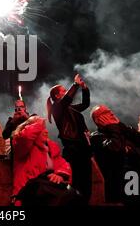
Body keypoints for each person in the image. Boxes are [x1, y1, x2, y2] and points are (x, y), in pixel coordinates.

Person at [12, 116, 83, 206]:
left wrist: (59, 175)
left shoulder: (50, 148)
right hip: (26, 194)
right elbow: (25, 137)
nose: (46, 131)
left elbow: (63, 165)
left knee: (74, 196)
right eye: (42, 128)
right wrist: (38, 123)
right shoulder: (21, 146)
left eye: (45, 128)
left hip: (48, 191)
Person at [46, 74, 92, 202]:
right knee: (77, 181)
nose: (66, 93)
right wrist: (75, 84)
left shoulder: (70, 108)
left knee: (87, 181)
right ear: (57, 95)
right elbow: (67, 99)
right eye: (63, 91)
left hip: (83, 146)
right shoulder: (57, 107)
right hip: (73, 148)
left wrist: (84, 88)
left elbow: (85, 104)